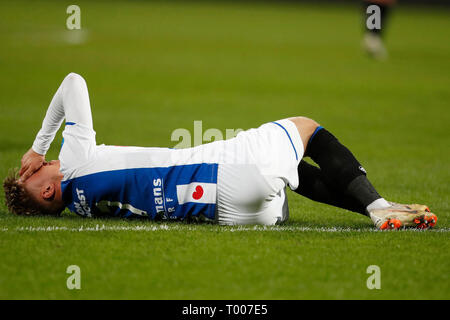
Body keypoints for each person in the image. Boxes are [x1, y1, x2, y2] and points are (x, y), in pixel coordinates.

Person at [3, 73, 437, 230]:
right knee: (305, 128)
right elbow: (73, 82)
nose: (41, 164)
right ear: (45, 193)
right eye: (33, 172)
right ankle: (377, 205)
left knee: (291, 172)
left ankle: (376, 211)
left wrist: (37, 167)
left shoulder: (80, 212)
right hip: (225, 172)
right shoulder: (76, 163)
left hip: (235, 216)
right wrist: (37, 144)